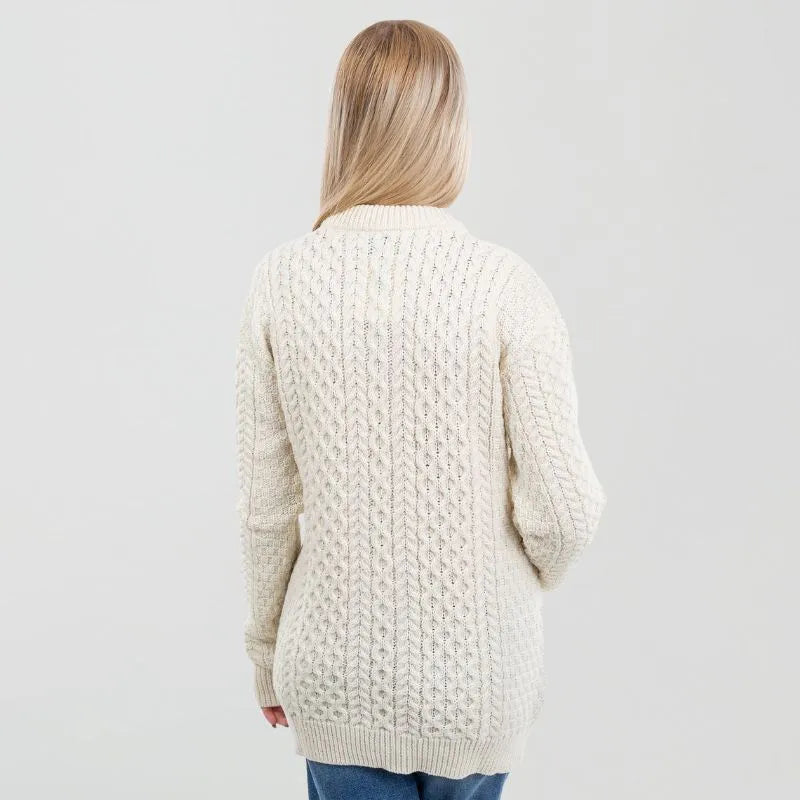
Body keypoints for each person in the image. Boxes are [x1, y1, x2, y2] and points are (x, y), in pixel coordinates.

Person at [234, 18, 606, 800]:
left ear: (344, 128)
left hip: (333, 673)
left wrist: (267, 654)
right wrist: (508, 578)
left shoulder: (279, 283)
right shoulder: (506, 287)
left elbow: (267, 511)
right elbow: (568, 510)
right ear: (449, 129)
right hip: (480, 678)